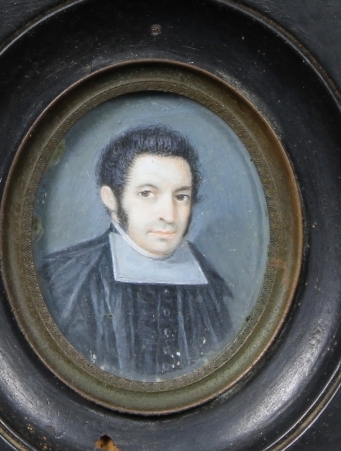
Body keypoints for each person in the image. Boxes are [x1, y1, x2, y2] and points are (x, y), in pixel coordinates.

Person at [38, 124, 234, 381]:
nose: (169, 215)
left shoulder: (210, 284)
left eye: (181, 196)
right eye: (147, 193)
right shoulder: (65, 279)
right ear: (111, 198)